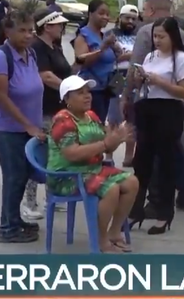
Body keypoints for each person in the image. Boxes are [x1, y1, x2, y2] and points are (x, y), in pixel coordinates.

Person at [121, 0, 184, 217]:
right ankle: (137, 206)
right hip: (148, 107)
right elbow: (138, 77)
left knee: (169, 157)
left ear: (172, 37)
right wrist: (138, 80)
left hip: (169, 110)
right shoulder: (151, 57)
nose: (157, 40)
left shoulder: (181, 60)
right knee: (143, 158)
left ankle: (166, 204)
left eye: (161, 37)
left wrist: (160, 82)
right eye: (155, 36)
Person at [47, 75, 138, 253]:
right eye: (80, 93)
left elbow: (105, 142)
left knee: (131, 182)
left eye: (88, 91)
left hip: (92, 169)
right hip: (68, 175)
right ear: (67, 99)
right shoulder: (63, 120)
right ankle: (100, 239)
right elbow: (72, 154)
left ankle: (114, 232)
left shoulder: (90, 116)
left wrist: (117, 139)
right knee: (110, 189)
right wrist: (105, 144)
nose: (87, 96)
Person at [0, 7, 45, 244]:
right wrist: (27, 125)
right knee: (13, 177)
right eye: (22, 30)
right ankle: (7, 228)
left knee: (22, 176)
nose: (28, 35)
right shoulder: (2, 56)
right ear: (8, 31)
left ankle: (15, 220)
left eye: (31, 30)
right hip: (10, 128)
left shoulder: (30, 54)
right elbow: (2, 96)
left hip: (30, 127)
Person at [22, 9, 72, 220]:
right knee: (40, 155)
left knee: (55, 155)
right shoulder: (38, 48)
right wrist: (68, 90)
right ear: (47, 26)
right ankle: (29, 202)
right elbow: (45, 76)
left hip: (57, 109)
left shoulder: (55, 46)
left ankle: (53, 196)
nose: (62, 28)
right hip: (43, 109)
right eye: (59, 25)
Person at [73, 0, 119, 121]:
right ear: (90, 14)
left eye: (108, 14)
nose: (105, 17)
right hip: (91, 91)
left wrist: (118, 50)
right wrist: (103, 47)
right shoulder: (83, 36)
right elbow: (83, 61)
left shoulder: (103, 36)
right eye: (101, 13)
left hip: (106, 89)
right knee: (93, 125)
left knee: (102, 123)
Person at [108, 5, 139, 167]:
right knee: (114, 119)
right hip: (116, 79)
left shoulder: (140, 36)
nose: (130, 21)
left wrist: (127, 56)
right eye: (127, 17)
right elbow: (107, 57)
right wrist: (128, 56)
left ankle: (129, 157)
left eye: (134, 19)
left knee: (132, 121)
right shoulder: (110, 35)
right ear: (119, 18)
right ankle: (108, 155)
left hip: (134, 80)